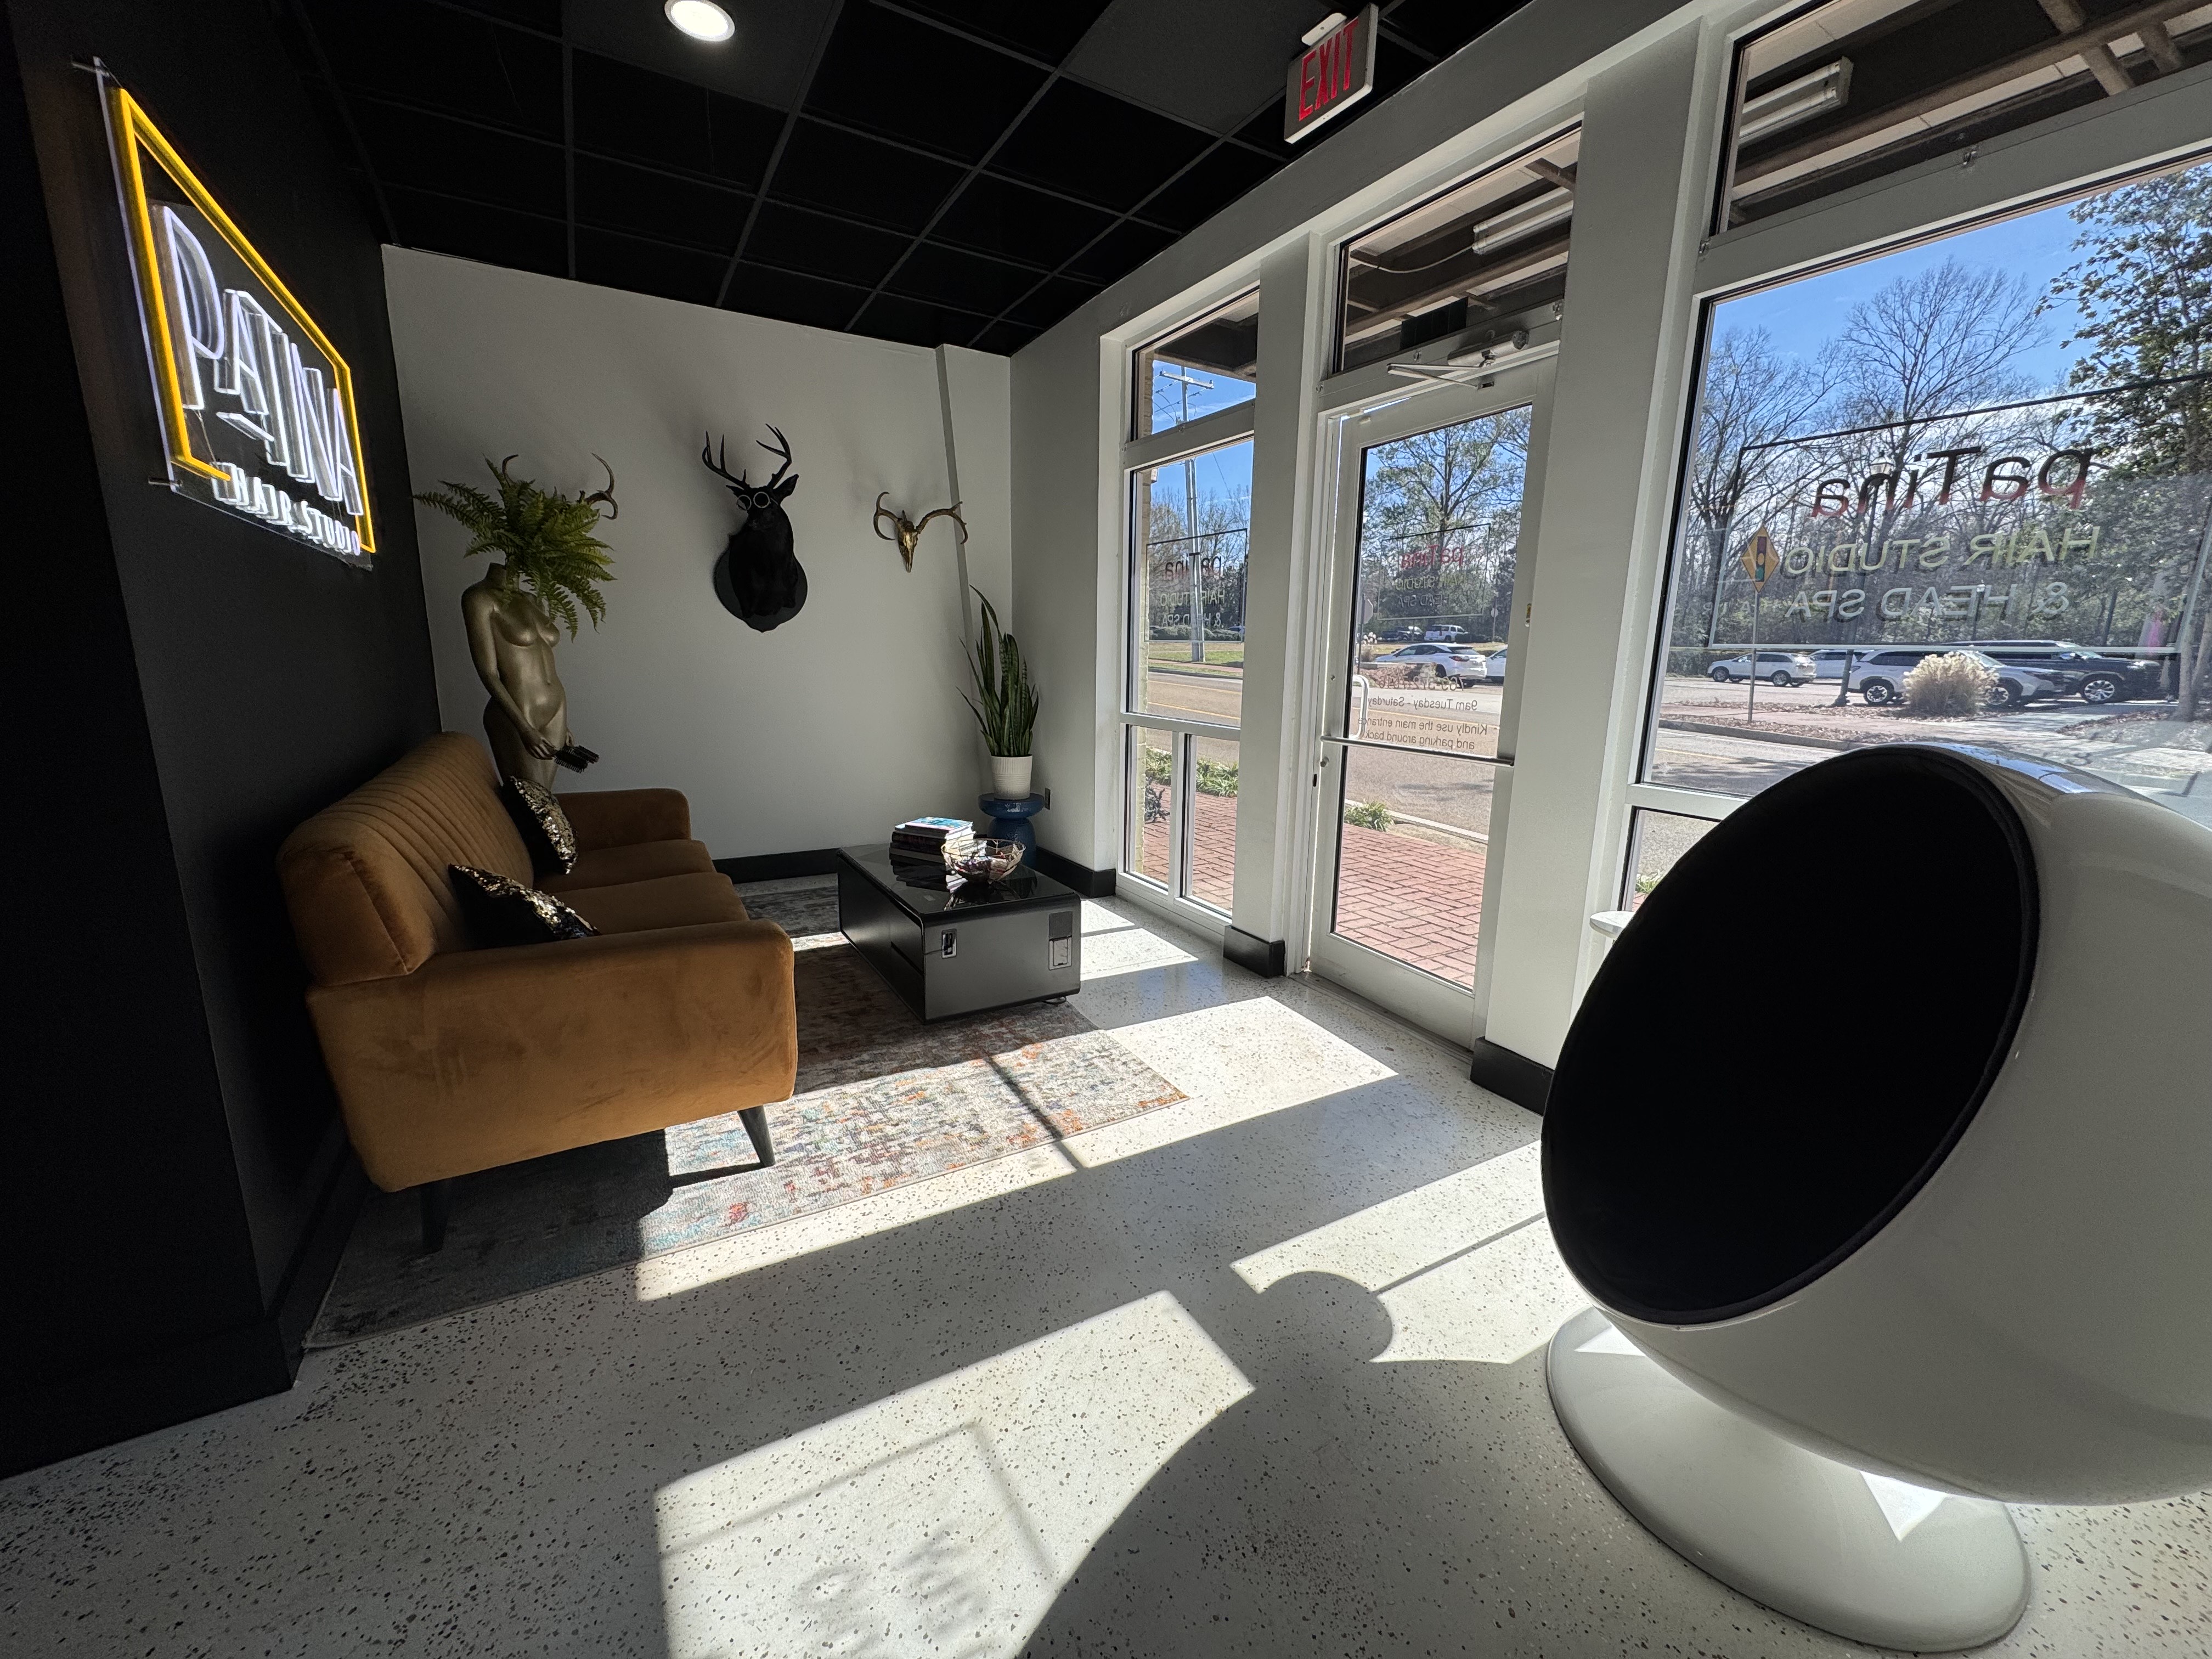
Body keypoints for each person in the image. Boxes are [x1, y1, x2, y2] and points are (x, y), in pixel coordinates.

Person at [462, 561, 573, 789]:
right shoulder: (480, 598)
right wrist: (524, 728)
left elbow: (543, 661)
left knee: (544, 798)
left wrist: (565, 724)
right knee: (532, 801)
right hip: (519, 710)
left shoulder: (533, 600)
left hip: (556, 708)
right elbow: (488, 672)